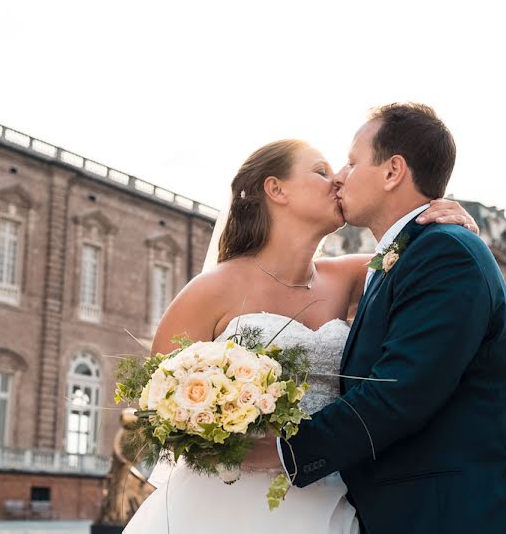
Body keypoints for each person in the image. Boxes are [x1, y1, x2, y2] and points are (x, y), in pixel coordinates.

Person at [123, 134, 477, 533]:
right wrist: (222, 430)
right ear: (277, 190)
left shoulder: (353, 275)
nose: (338, 180)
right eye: (321, 172)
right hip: (221, 504)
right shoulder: (211, 290)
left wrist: (444, 217)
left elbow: (427, 259)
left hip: (328, 496)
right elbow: (158, 405)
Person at [243, 103, 506, 533]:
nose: (339, 175)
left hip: (467, 513)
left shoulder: (446, 251)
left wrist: (276, 452)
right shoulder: (405, 255)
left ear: (393, 172)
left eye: (353, 162)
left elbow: (398, 393)